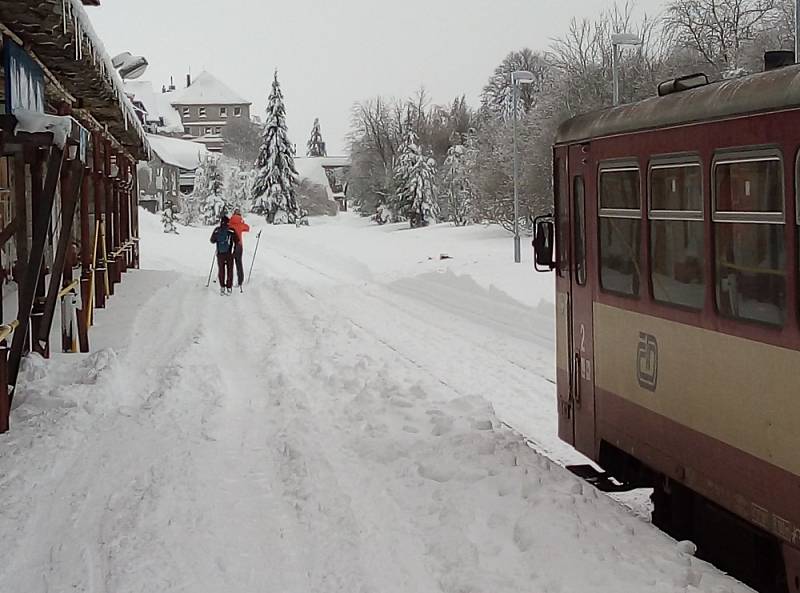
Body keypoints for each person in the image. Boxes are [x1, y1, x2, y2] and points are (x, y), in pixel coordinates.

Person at [210, 215, 239, 295]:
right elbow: (237, 240)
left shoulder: (217, 230)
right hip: (229, 254)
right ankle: (229, 287)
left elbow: (212, 240)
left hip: (220, 254)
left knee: (221, 270)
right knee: (230, 270)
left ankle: (222, 287)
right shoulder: (231, 230)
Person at [228, 208, 250, 287]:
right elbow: (247, 228)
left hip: (230, 245)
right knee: (239, 263)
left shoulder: (230, 222)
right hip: (239, 245)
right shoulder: (240, 223)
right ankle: (240, 281)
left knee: (229, 263)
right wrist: (242, 222)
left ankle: (228, 280)